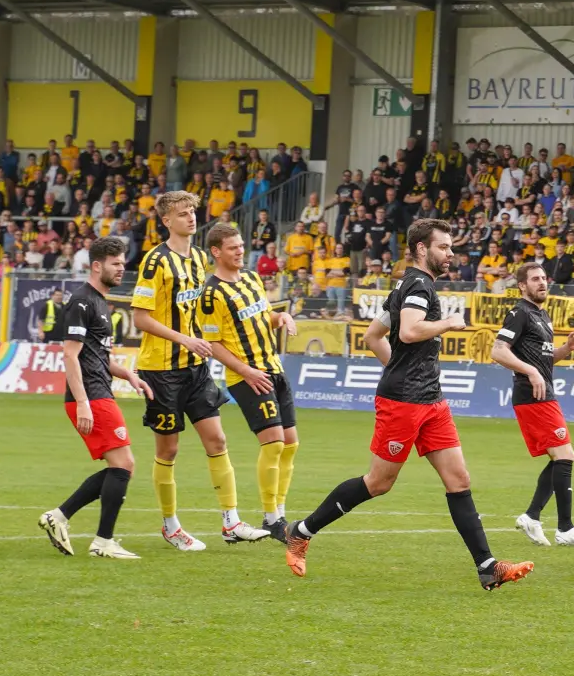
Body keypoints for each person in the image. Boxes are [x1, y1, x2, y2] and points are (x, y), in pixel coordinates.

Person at [284, 219, 534, 590]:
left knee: (459, 479)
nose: (450, 254)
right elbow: (410, 331)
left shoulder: (407, 284)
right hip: (403, 403)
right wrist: (447, 323)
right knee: (378, 483)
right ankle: (301, 531)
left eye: (450, 247)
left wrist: (400, 369)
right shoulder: (418, 286)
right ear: (421, 248)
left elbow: (373, 336)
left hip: (431, 399)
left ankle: (488, 567)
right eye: (443, 247)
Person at [131, 190, 266, 550]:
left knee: (217, 440)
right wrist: (184, 339)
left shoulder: (200, 259)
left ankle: (231, 522)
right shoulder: (155, 261)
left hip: (195, 367)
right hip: (161, 370)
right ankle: (170, 525)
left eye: (192, 211)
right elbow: (140, 318)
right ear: (166, 221)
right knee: (169, 450)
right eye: (182, 213)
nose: (190, 217)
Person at [37, 236, 151, 560]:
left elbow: (98, 356)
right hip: (91, 396)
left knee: (121, 466)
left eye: (123, 262)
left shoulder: (100, 302)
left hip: (100, 392)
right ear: (97, 265)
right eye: (116, 263)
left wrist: (127, 374)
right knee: (124, 465)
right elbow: (70, 356)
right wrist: (84, 403)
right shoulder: (82, 301)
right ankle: (102, 541)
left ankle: (60, 517)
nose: (122, 268)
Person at [199, 223, 301, 543]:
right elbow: (213, 344)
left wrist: (281, 318)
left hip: (273, 369)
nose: (241, 251)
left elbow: (264, 317)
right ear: (216, 252)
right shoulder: (212, 294)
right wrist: (246, 371)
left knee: (290, 444)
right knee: (273, 443)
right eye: (233, 247)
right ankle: (272, 519)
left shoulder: (252, 279)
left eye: (241, 245)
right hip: (247, 377)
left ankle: (278, 512)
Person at [492, 261, 574, 549]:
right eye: (535, 279)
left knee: (560, 457)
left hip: (543, 393)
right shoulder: (519, 313)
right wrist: (530, 371)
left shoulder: (542, 315)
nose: (542, 282)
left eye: (544, 278)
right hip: (532, 395)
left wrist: (567, 348)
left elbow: (544, 360)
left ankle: (532, 516)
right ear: (522, 286)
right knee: (565, 455)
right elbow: (498, 351)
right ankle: (565, 528)